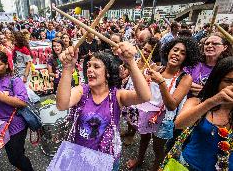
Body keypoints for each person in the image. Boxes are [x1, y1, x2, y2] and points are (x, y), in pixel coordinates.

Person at [57, 41, 151, 170]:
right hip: (79, 153)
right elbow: (62, 105)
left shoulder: (117, 96)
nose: (89, 69)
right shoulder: (81, 91)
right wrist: (67, 68)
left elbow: (145, 96)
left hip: (106, 157)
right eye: (89, 66)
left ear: (107, 73)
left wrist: (131, 62)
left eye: (96, 67)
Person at [126, 37, 200, 171]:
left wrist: (161, 82)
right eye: (175, 49)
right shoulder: (156, 68)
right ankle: (140, 159)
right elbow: (144, 90)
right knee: (143, 139)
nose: (177, 54)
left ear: (187, 58)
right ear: (168, 51)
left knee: (158, 148)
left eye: (182, 53)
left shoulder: (185, 78)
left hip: (164, 119)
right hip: (147, 113)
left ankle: (156, 168)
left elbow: (172, 105)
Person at [175, 56, 233, 171]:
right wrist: (212, 102)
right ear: (216, 80)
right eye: (228, 81)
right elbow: (179, 124)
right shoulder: (197, 102)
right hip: (188, 166)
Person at [184, 33, 233, 97]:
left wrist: (205, 91)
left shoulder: (228, 69)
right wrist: (187, 84)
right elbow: (180, 77)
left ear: (225, 47)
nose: (209, 46)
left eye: (215, 44)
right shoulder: (193, 63)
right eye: (207, 43)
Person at [13, 31, 40, 103]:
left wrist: (25, 76)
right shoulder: (15, 48)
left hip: (24, 72)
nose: (13, 41)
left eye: (14, 39)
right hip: (18, 73)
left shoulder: (24, 49)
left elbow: (28, 64)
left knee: (25, 88)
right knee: (23, 88)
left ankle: (35, 100)